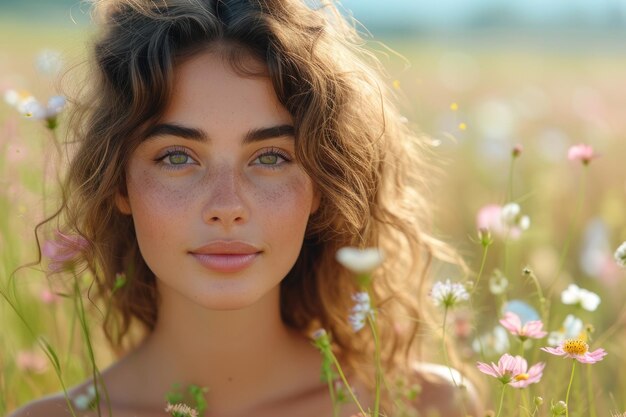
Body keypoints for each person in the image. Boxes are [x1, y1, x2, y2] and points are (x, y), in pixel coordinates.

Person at [9, 0, 482, 416]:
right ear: (120, 184)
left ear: (321, 184)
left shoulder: (425, 407)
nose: (227, 207)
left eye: (271, 157)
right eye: (177, 157)